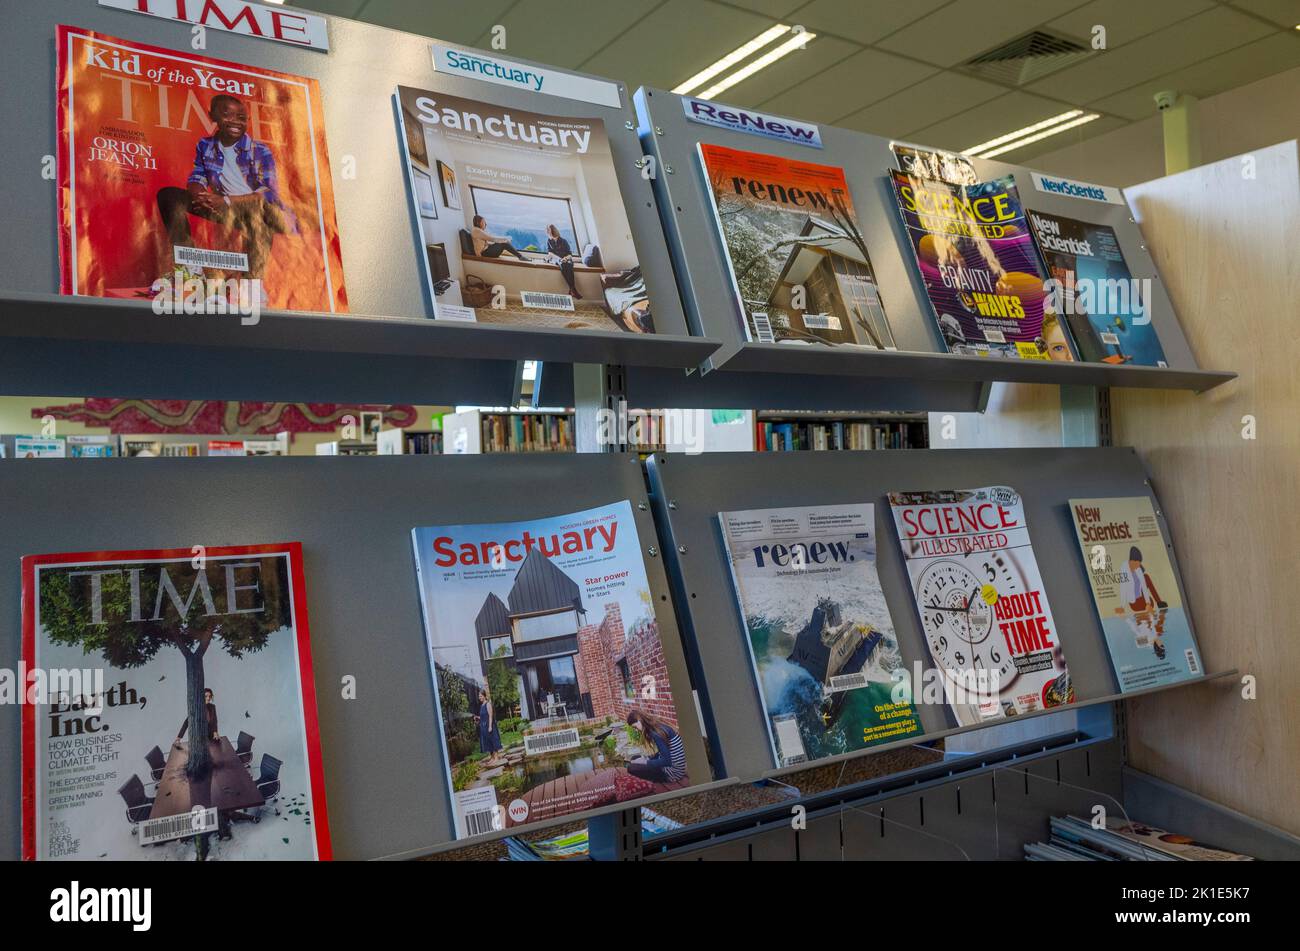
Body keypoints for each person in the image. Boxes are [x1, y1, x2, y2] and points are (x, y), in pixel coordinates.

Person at [156, 94, 296, 293]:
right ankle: (190, 267)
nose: (235, 121)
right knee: (169, 195)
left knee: (260, 218)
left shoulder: (259, 150)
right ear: (212, 116)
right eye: (227, 115)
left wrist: (226, 201)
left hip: (254, 208)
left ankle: (252, 285)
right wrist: (199, 195)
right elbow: (198, 175)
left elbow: (268, 193)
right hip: (222, 207)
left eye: (241, 117)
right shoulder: (205, 145)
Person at [625, 708, 686, 784]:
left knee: (631, 768)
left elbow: (667, 761)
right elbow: (664, 753)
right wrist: (647, 758)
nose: (636, 730)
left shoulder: (656, 733)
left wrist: (645, 762)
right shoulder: (658, 726)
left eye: (635, 727)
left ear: (639, 720)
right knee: (635, 758)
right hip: (676, 769)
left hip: (672, 774)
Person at [545, 224, 582, 299]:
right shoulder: (549, 241)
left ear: (553, 231)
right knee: (562, 264)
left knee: (568, 265)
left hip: (566, 258)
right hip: (556, 259)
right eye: (547, 231)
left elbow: (570, 254)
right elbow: (550, 253)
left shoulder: (563, 241)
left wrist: (565, 258)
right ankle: (573, 289)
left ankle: (572, 290)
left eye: (548, 231)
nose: (547, 233)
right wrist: (559, 259)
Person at [1127, 545, 1169, 612]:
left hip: (1136, 605)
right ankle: (1159, 602)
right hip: (1140, 604)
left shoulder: (1136, 575)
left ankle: (1158, 602)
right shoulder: (1139, 576)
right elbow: (1151, 589)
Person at [475, 687, 503, 761]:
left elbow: (490, 716)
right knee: (487, 742)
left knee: (493, 740)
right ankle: (492, 757)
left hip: (489, 726)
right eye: (479, 696)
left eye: (481, 696)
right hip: (483, 726)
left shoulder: (488, 704)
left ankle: (496, 757)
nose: (479, 698)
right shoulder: (481, 706)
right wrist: (478, 717)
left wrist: (490, 726)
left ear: (484, 696)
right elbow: (483, 717)